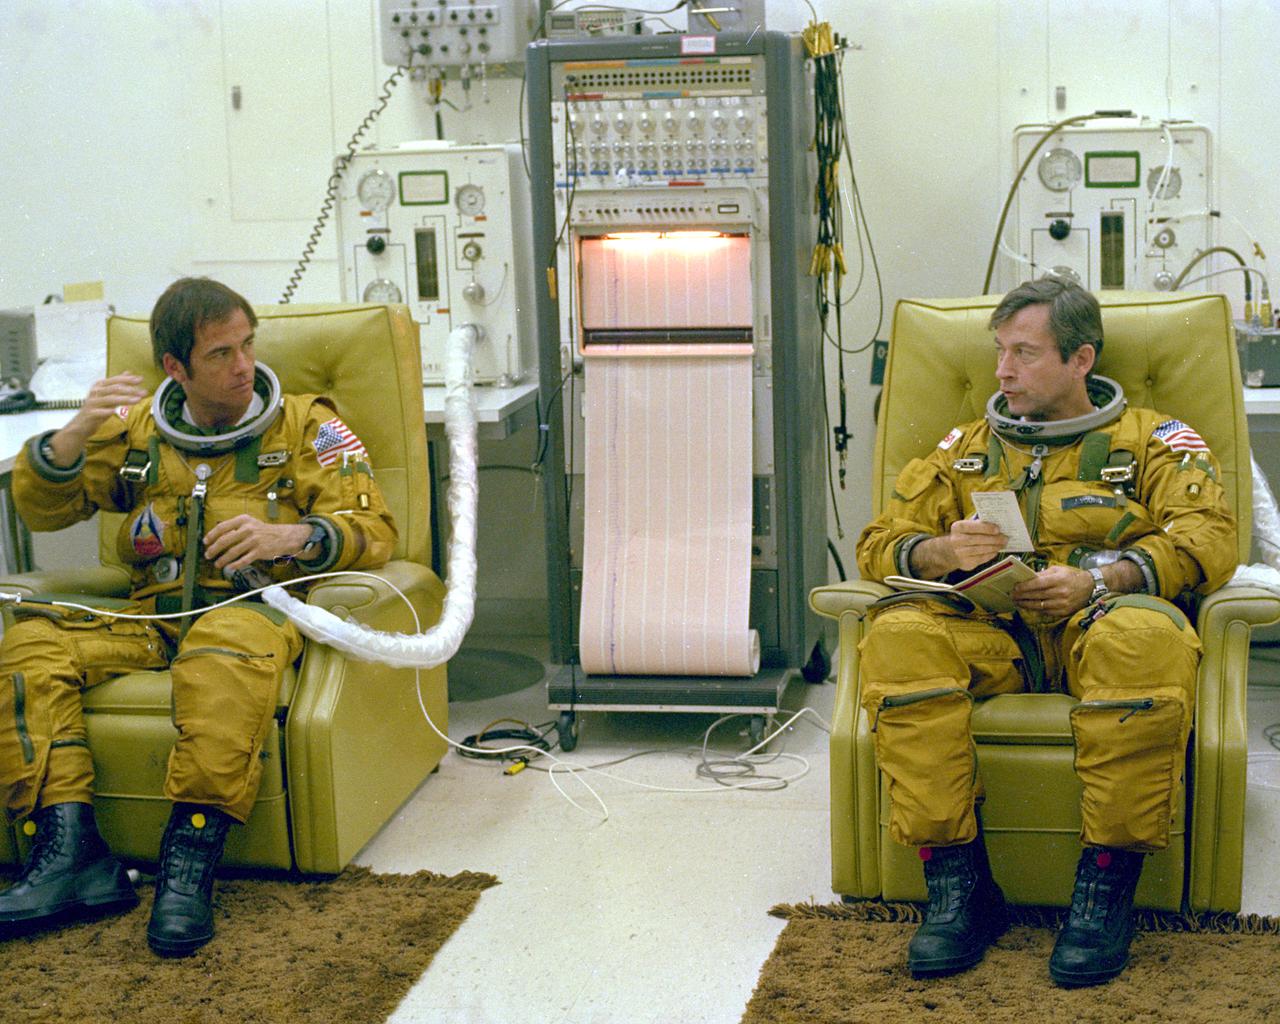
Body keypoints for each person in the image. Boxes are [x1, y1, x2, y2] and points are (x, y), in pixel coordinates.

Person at [855, 277, 1236, 986]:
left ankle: (1104, 889)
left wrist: (1103, 579)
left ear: (1080, 359)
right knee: (898, 634)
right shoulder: (964, 448)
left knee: (1142, 641)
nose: (1002, 371)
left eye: (1024, 353)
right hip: (994, 636)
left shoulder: (1153, 441)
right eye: (999, 352)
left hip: (1103, 623)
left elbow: (1210, 538)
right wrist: (942, 553)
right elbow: (882, 540)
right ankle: (959, 887)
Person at [0, 277, 397, 957]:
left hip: (251, 613)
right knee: (30, 647)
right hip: (153, 620)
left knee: (221, 657)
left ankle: (189, 859)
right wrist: (72, 432)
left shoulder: (310, 424)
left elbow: (373, 527)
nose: (242, 364)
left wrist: (291, 537)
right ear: (175, 369)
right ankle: (70, 852)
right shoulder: (136, 432)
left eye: (247, 345)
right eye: (220, 354)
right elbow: (44, 510)